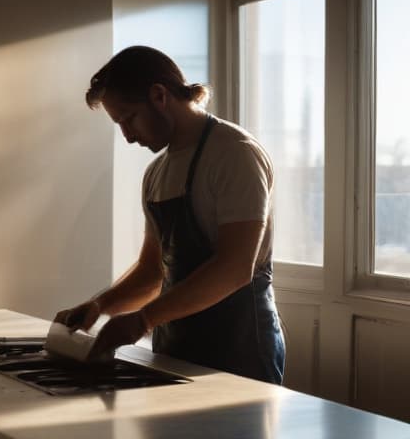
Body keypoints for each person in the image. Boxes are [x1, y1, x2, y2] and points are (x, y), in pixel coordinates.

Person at [54, 46, 285, 384]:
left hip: (241, 353)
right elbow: (152, 271)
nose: (129, 136)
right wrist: (100, 306)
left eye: (129, 119)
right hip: (176, 351)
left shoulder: (234, 154)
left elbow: (235, 268)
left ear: (159, 95)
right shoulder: (156, 173)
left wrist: (142, 320)